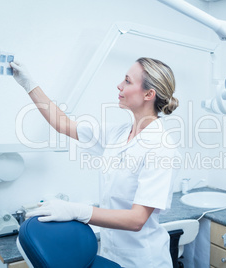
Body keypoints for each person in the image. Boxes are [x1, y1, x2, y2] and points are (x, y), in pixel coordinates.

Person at [10, 57, 180, 267]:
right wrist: (29, 84)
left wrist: (78, 211)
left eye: (127, 81)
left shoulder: (161, 147)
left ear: (148, 94)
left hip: (143, 261)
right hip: (111, 255)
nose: (119, 85)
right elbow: (62, 124)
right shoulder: (117, 134)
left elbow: (137, 219)